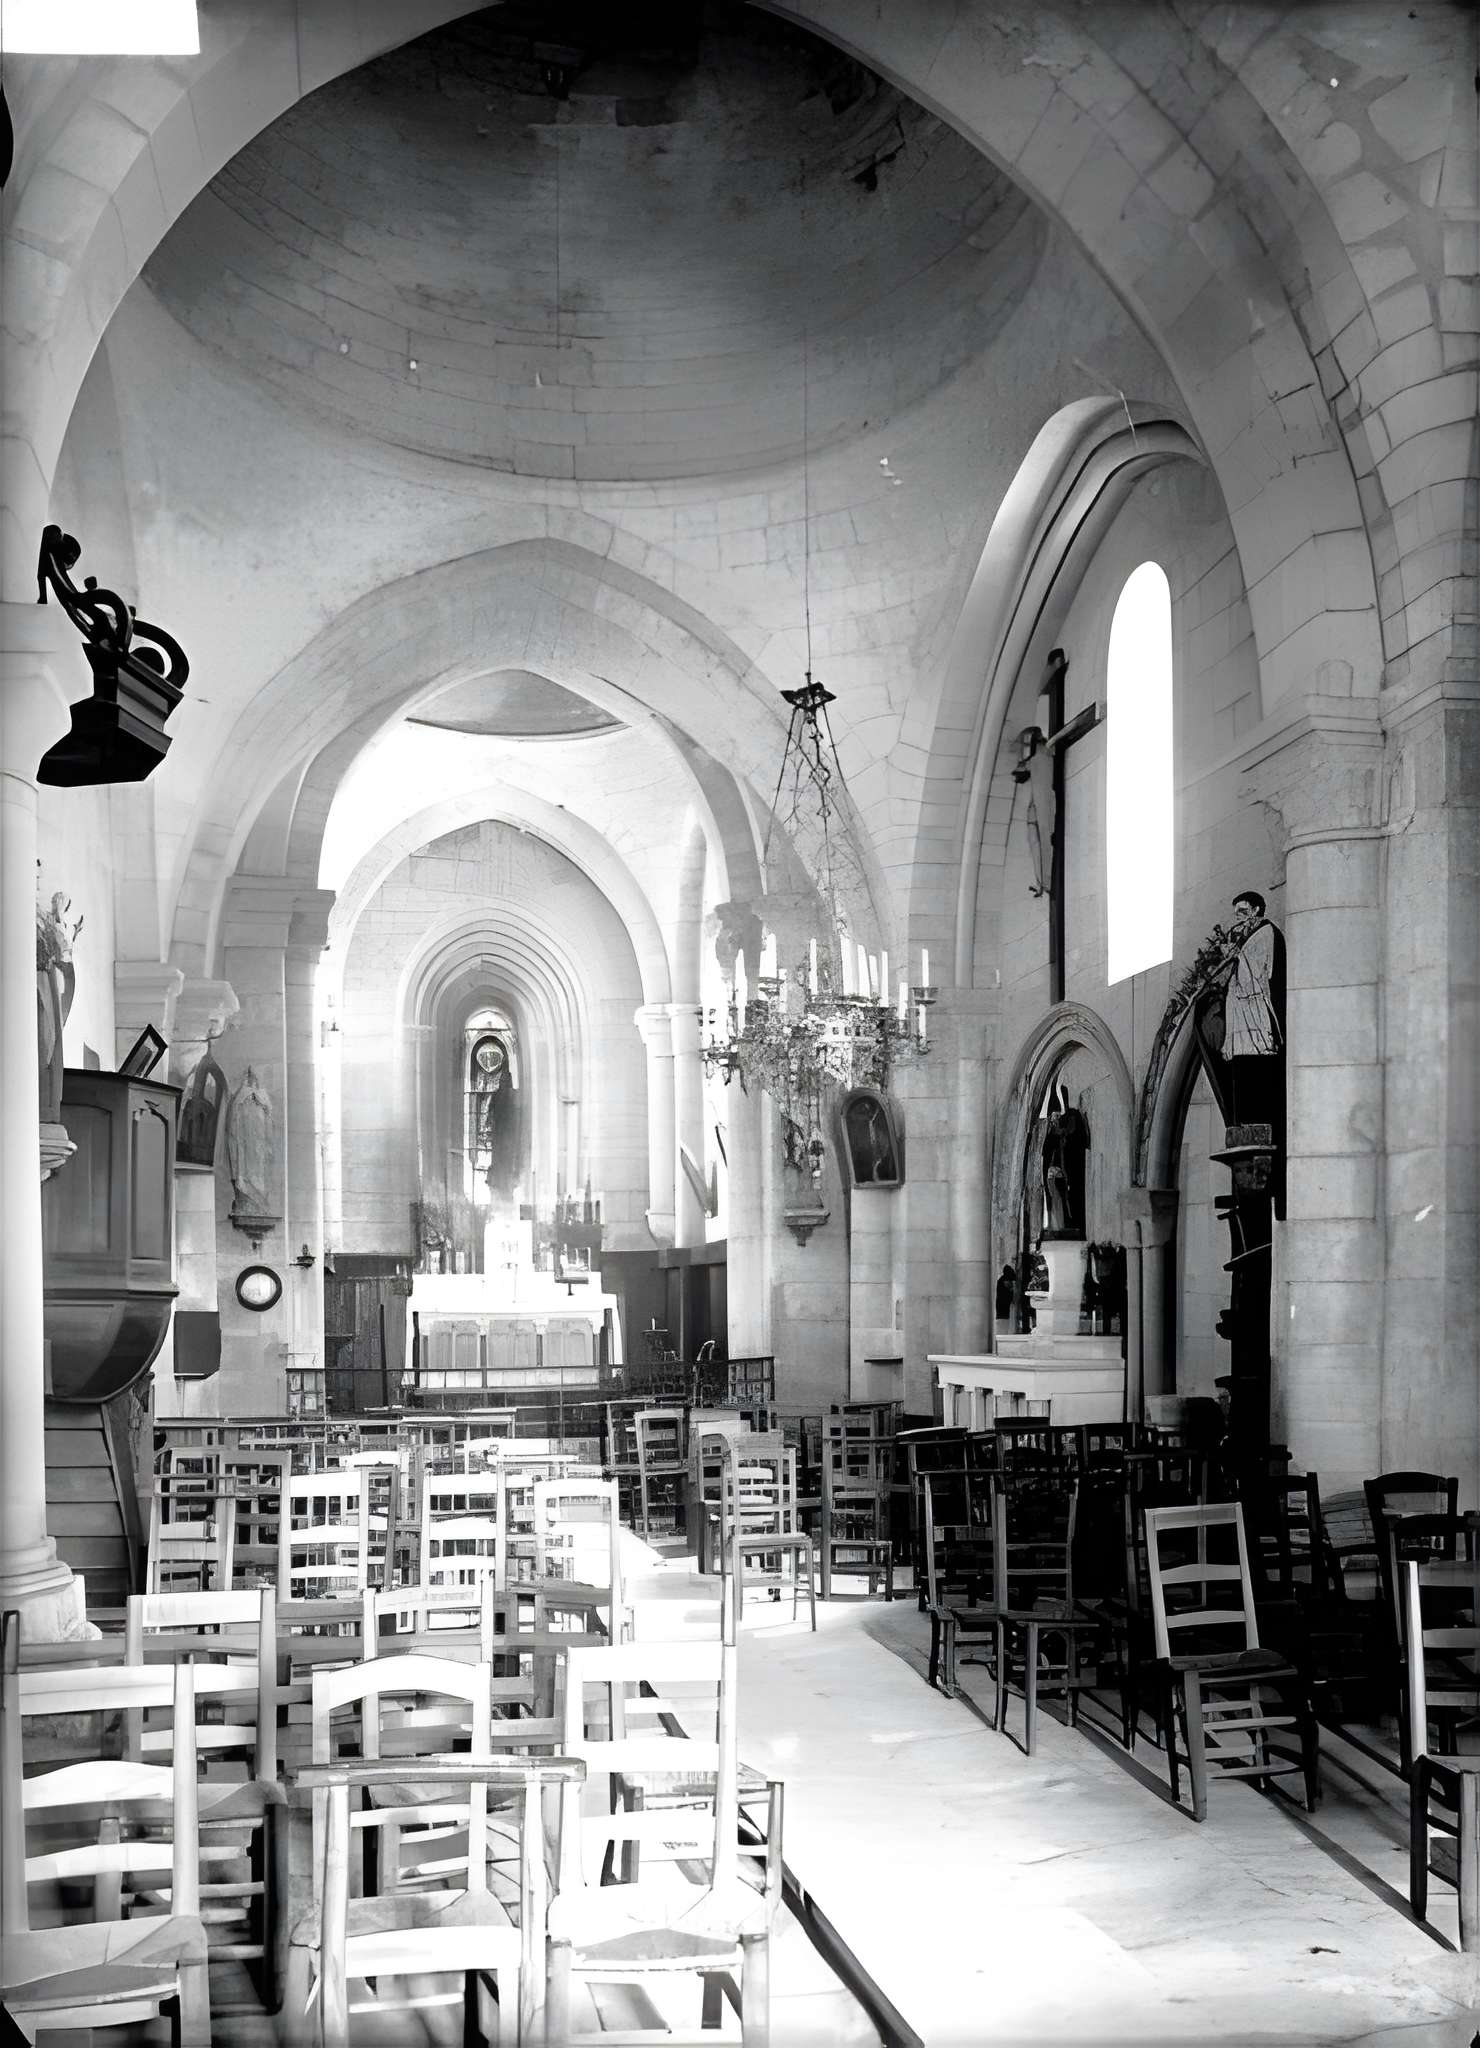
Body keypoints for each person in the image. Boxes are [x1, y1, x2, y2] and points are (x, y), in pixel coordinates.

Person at [1012, 726, 1056, 897]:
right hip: (1036, 807)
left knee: (1043, 839)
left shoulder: (1043, 754)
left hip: (1043, 805)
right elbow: (1021, 774)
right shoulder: (1036, 758)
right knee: (1035, 840)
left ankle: (1045, 881)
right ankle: (1042, 881)